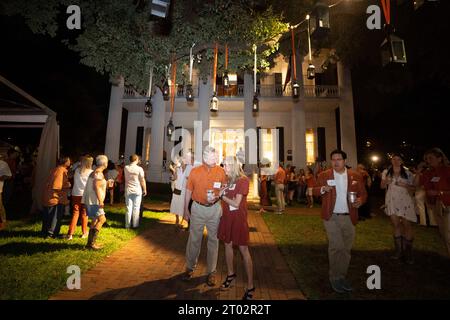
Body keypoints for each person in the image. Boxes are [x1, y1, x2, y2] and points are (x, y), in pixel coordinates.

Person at [313, 149, 367, 293]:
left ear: (344, 161)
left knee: (346, 249)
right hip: (331, 217)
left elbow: (363, 194)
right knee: (336, 247)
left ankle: (341, 276)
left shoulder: (355, 176)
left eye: (339, 159)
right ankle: (335, 277)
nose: (336, 162)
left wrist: (360, 201)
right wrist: (323, 189)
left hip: (349, 216)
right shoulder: (324, 175)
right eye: (333, 159)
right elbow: (313, 190)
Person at [182, 146, 227, 287]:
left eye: (216, 158)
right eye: (213, 158)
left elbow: (224, 188)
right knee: (194, 239)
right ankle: (190, 267)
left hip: (214, 209)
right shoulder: (195, 172)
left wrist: (218, 196)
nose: (215, 160)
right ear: (205, 158)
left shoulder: (221, 171)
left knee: (213, 241)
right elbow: (188, 191)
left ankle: (211, 272)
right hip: (198, 208)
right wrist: (185, 210)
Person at [217, 156, 255, 300]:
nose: (224, 167)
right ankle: (231, 274)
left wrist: (222, 196)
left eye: (227, 165)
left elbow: (237, 204)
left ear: (234, 166)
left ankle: (250, 285)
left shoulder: (243, 180)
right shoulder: (227, 180)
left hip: (238, 220)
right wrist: (219, 193)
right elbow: (224, 197)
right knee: (227, 244)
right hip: (227, 219)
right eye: (224, 164)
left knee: (244, 250)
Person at [380, 153, 417, 264]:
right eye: (394, 159)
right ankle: (398, 252)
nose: (396, 161)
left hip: (405, 201)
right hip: (392, 201)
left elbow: (414, 188)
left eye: (398, 159)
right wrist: (385, 182)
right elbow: (382, 186)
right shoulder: (386, 172)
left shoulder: (408, 173)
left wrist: (404, 185)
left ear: (402, 161)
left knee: (407, 225)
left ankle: (408, 253)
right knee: (396, 225)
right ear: (391, 161)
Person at [417, 148, 450, 257]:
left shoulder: (447, 170)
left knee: (448, 235)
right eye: (426, 159)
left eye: (431, 158)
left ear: (440, 158)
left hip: (448, 205)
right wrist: (418, 171)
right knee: (444, 234)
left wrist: (439, 192)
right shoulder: (428, 172)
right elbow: (417, 184)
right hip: (437, 206)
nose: (428, 161)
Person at [82, 155, 108, 250]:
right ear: (104, 163)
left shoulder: (94, 172)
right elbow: (96, 186)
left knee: (94, 220)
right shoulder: (98, 173)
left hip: (90, 200)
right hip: (95, 201)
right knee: (102, 219)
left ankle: (89, 244)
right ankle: (92, 244)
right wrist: (100, 201)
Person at [41, 157, 71, 238]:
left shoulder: (56, 169)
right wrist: (67, 185)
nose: (70, 161)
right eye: (69, 160)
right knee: (55, 217)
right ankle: (52, 234)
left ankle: (46, 232)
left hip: (50, 197)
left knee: (48, 216)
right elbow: (56, 186)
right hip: (55, 198)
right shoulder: (60, 171)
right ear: (65, 162)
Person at [66, 155, 93, 240]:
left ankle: (70, 234)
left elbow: (69, 174)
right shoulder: (91, 172)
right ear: (90, 163)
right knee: (84, 214)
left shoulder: (77, 170)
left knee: (75, 213)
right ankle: (84, 233)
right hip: (85, 195)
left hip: (76, 194)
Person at [169, 151, 193, 229]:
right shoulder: (177, 168)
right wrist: (173, 172)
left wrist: (189, 178)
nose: (182, 162)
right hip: (177, 188)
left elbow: (192, 178)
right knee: (175, 204)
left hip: (185, 190)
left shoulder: (190, 168)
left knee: (184, 205)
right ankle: (177, 219)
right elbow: (175, 177)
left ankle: (184, 220)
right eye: (181, 161)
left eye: (183, 161)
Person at [124, 154, 147, 229]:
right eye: (138, 159)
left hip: (128, 190)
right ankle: (135, 225)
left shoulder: (126, 167)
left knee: (128, 208)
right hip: (137, 190)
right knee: (136, 208)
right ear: (136, 159)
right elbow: (142, 180)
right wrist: (145, 189)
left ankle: (127, 225)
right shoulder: (139, 169)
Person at [414, 162, 437, 227]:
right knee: (429, 206)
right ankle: (433, 222)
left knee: (422, 206)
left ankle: (423, 222)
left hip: (422, 190)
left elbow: (417, 183)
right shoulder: (431, 172)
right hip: (427, 190)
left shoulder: (423, 173)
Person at [0, 156, 12, 230]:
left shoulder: (3, 164)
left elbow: (9, 176)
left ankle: (3, 222)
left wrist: (0, 178)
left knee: (0, 206)